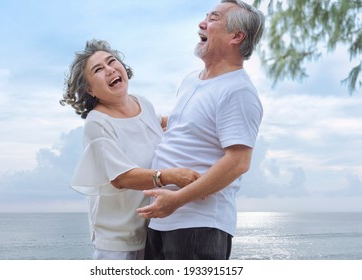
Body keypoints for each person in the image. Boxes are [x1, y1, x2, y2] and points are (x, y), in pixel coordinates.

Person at [137, 0, 265, 260]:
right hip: (162, 220)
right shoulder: (190, 80)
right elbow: (179, 128)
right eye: (206, 15)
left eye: (214, 17)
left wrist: (177, 200)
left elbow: (238, 162)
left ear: (236, 36)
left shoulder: (238, 91)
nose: (202, 22)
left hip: (200, 225)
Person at [60, 39, 200, 260]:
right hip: (117, 242)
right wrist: (171, 176)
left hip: (154, 232)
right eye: (98, 69)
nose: (110, 70)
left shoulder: (142, 103)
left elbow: (163, 123)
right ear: (89, 89)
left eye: (111, 61)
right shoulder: (97, 123)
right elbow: (121, 178)